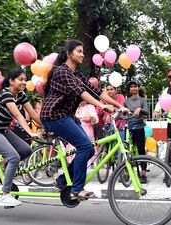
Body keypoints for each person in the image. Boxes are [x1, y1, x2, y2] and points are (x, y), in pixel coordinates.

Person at [41, 39, 128, 200]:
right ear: (69, 54)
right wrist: (102, 107)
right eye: (79, 51)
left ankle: (61, 181)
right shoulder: (62, 72)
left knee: (88, 149)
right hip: (53, 116)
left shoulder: (76, 74)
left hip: (67, 116)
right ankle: (76, 189)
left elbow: (96, 92)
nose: (82, 54)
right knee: (85, 145)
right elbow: (82, 93)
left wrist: (119, 106)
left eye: (83, 51)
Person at [0, 67, 41, 207]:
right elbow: (18, 115)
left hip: (2, 130)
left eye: (25, 80)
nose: (24, 82)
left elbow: (33, 114)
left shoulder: (21, 95)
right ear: (11, 81)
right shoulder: (5, 94)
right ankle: (5, 195)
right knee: (14, 157)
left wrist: (50, 127)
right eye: (20, 79)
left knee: (26, 150)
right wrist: (30, 133)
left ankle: (5, 167)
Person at [124, 80, 149, 183]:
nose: (133, 88)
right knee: (127, 150)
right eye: (131, 87)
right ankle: (126, 171)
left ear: (138, 88)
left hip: (139, 127)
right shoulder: (126, 101)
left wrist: (140, 109)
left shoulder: (142, 100)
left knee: (141, 149)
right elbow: (122, 112)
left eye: (135, 86)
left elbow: (147, 112)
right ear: (129, 89)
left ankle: (143, 172)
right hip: (129, 127)